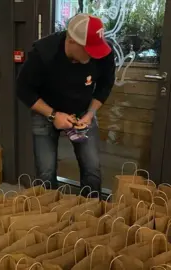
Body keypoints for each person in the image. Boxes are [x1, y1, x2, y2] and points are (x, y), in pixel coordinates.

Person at [16, 14, 116, 197]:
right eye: (89, 50)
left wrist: (90, 113)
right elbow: (23, 90)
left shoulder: (103, 53)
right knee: (45, 173)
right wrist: (53, 115)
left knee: (92, 169)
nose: (94, 55)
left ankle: (90, 216)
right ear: (71, 41)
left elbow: (105, 85)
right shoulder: (44, 54)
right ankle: (49, 217)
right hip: (46, 112)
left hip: (83, 111)